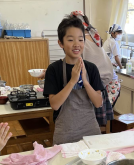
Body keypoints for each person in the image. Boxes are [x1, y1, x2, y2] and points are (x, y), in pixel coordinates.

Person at [43, 15, 104, 145]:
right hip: (65, 134)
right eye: (70, 40)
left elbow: (98, 103)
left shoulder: (91, 68)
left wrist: (85, 82)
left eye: (81, 40)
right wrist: (72, 81)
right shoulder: (54, 69)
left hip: (91, 132)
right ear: (61, 43)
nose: (77, 44)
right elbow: (55, 105)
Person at [70, 11, 117, 126]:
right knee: (95, 118)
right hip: (107, 78)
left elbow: (77, 62)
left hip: (99, 81)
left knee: (91, 118)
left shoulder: (81, 40)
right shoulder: (93, 33)